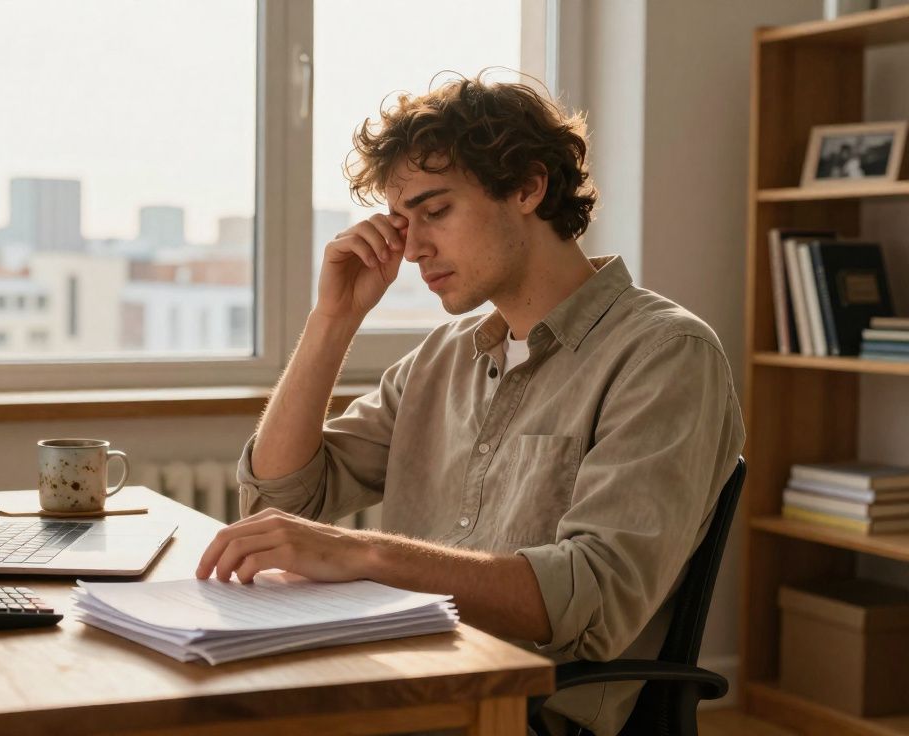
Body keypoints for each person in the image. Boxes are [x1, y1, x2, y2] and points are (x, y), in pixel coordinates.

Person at [195, 73, 744, 736]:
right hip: (409, 678)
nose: (414, 248)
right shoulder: (442, 357)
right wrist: (333, 317)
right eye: (402, 223)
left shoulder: (665, 354)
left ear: (527, 187)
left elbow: (590, 597)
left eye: (436, 211)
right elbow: (280, 502)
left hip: (520, 710)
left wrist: (364, 554)